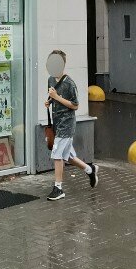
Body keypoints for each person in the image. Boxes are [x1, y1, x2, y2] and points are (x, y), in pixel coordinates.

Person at [45, 49, 97, 200]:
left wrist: (56, 97)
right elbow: (52, 96)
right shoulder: (50, 79)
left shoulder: (69, 83)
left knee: (57, 154)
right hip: (57, 123)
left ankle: (58, 188)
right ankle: (90, 170)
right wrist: (49, 101)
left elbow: (75, 105)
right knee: (68, 156)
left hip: (66, 125)